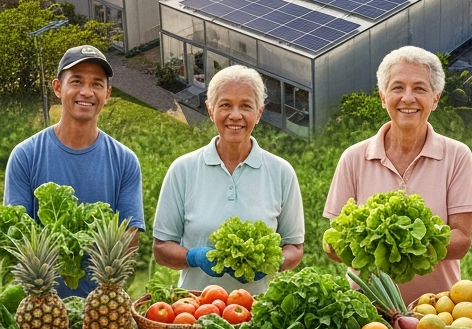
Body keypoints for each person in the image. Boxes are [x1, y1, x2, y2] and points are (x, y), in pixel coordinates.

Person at [324, 47, 472, 303]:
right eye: (398, 88)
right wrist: (375, 242)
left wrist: (406, 241)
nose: (408, 98)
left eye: (420, 88)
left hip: (437, 309)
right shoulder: (353, 157)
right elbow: (336, 245)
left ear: (436, 98)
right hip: (368, 308)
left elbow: (461, 241)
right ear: (383, 97)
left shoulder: (457, 155)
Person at [4, 45, 143, 297]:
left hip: (101, 306)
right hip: (40, 306)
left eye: (97, 84)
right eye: (76, 81)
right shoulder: (25, 155)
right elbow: (17, 238)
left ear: (108, 93)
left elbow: (128, 241)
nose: (86, 92)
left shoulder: (125, 161)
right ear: (58, 88)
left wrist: (107, 297)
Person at [153, 66, 304, 294]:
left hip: (257, 311)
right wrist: (193, 256)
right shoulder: (182, 170)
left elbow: (294, 246)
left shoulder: (281, 172)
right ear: (211, 110)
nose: (235, 115)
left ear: (259, 112)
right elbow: (161, 248)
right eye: (225, 105)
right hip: (193, 309)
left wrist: (274, 261)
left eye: (245, 105)